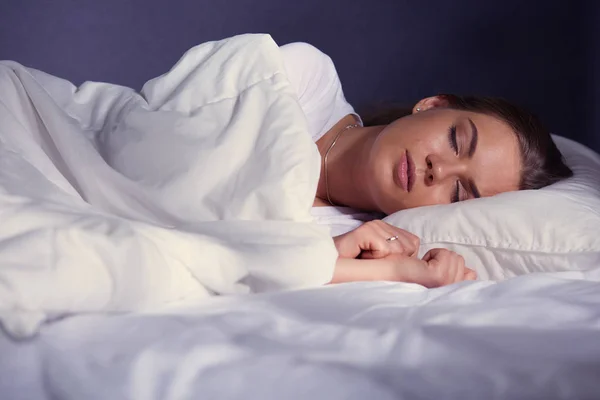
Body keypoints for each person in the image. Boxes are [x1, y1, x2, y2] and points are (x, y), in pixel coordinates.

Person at [280, 42, 573, 288]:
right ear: (433, 105)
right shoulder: (305, 82)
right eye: (456, 141)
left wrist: (393, 272)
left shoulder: (356, 245)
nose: (439, 171)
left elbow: (246, 275)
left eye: (459, 192)